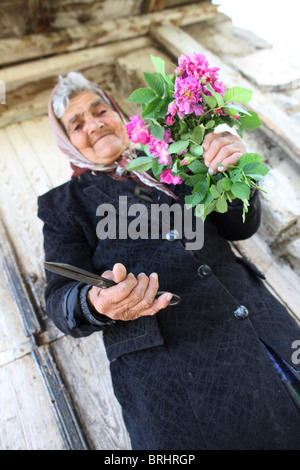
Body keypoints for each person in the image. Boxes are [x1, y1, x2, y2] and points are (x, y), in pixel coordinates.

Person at [38, 71, 300, 450]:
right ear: (67, 141)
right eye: (77, 125)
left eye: (100, 111)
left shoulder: (172, 158)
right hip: (174, 369)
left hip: (254, 323)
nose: (94, 125)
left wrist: (231, 170)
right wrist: (97, 302)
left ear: (117, 113)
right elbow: (59, 298)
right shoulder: (64, 205)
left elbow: (239, 227)